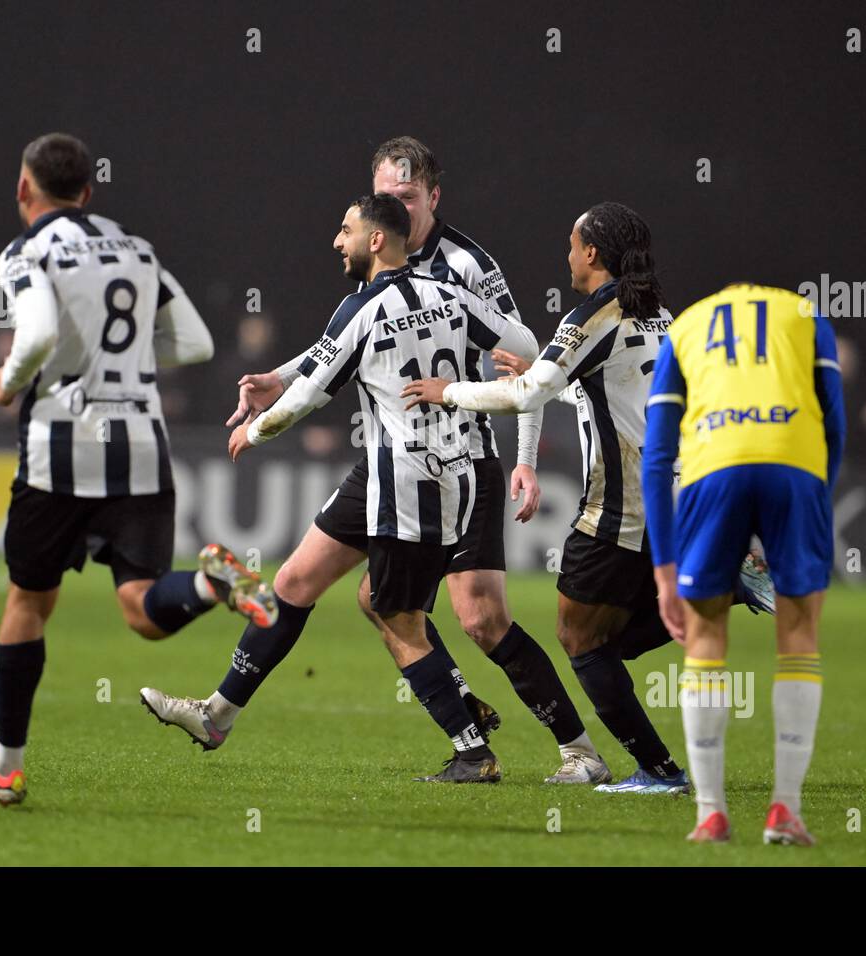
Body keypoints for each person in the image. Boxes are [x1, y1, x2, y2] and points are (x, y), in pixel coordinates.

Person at [227, 137, 606, 783]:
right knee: (334, 590)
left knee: (479, 617)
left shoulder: (466, 266)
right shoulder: (378, 260)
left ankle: (573, 748)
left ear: (432, 196)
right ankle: (461, 722)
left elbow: (528, 360)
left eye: (405, 196)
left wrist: (524, 458)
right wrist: (278, 376)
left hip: (465, 462)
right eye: (385, 197)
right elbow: (339, 344)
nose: (392, 206)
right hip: (390, 463)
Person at [140, 193, 540, 782]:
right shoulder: (453, 297)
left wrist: (255, 431)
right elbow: (527, 347)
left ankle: (472, 749)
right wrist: (490, 378)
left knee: (394, 615)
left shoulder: (362, 308)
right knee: (294, 581)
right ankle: (218, 715)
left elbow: (306, 396)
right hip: (395, 473)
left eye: (345, 229)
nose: (337, 240)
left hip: (412, 482)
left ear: (376, 240)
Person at [0, 132, 276, 807]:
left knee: (28, 601)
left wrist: (7, 382)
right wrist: (122, 364)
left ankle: (6, 764)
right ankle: (215, 583)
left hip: (61, 450)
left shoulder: (27, 251)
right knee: (142, 607)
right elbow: (193, 342)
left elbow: (39, 332)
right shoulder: (134, 246)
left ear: (24, 189)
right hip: (140, 442)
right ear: (89, 190)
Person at [404, 203, 722, 793]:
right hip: (674, 503)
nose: (567, 255)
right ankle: (713, 591)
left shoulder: (590, 315)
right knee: (607, 642)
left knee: (581, 641)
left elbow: (527, 393)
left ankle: (660, 771)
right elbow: (615, 399)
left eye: (572, 245)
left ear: (593, 254)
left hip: (617, 510)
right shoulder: (660, 314)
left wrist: (450, 390)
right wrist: (551, 373)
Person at [642, 282, 845, 845]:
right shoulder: (807, 316)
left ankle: (711, 813)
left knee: (705, 639)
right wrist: (815, 499)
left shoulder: (685, 327)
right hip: (794, 465)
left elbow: (657, 458)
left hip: (714, 468)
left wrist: (664, 568)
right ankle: (785, 811)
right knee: (799, 633)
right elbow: (834, 425)